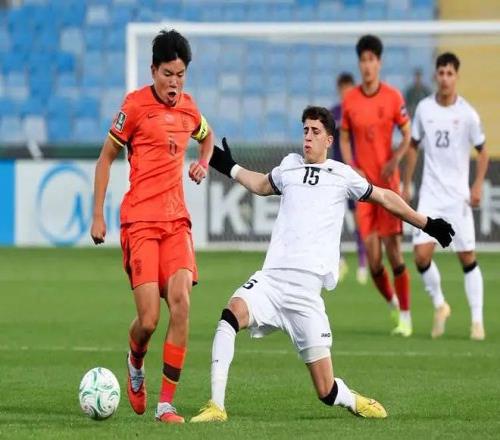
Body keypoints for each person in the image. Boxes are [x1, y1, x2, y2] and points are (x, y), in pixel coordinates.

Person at [190, 106, 454, 423]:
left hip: (306, 293)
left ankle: (354, 400)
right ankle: (216, 406)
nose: (308, 137)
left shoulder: (342, 175)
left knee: (326, 391)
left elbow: (385, 197)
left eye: (315, 132)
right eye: (305, 131)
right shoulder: (289, 167)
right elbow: (259, 185)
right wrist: (225, 164)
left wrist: (426, 223)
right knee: (230, 315)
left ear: (329, 139)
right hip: (271, 281)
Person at [90, 29, 214, 423]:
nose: (175, 83)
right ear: (153, 71)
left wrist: (203, 163)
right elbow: (105, 158)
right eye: (167, 74)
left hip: (176, 222)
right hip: (140, 222)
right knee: (148, 320)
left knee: (182, 303)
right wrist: (97, 214)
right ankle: (135, 359)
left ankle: (166, 405)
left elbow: (207, 136)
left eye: (181, 75)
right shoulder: (134, 107)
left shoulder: (189, 109)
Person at [404, 52, 489, 340]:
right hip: (430, 195)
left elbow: (483, 152)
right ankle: (441, 305)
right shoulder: (424, 109)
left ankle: (477, 321)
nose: (444, 78)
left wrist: (477, 185)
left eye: (449, 73)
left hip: (457, 198)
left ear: (456, 77)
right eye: (440, 73)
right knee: (420, 256)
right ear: (435, 76)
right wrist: (406, 183)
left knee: (467, 257)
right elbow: (413, 146)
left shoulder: (467, 114)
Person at [340, 35, 413, 336]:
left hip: (389, 188)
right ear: (359, 64)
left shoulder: (393, 97)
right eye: (363, 60)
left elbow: (407, 134)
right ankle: (394, 302)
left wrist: (396, 159)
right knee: (373, 262)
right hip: (363, 189)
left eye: (372, 60)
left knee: (394, 253)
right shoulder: (350, 100)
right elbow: (344, 137)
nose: (367, 65)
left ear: (379, 63)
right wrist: (351, 165)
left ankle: (406, 317)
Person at [330, 72, 368, 284]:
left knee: (359, 219)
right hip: (335, 173)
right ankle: (339, 260)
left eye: (349, 89)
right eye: (343, 89)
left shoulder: (360, 111)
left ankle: (362, 262)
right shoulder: (333, 113)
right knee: (333, 218)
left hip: (354, 173)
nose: (346, 93)